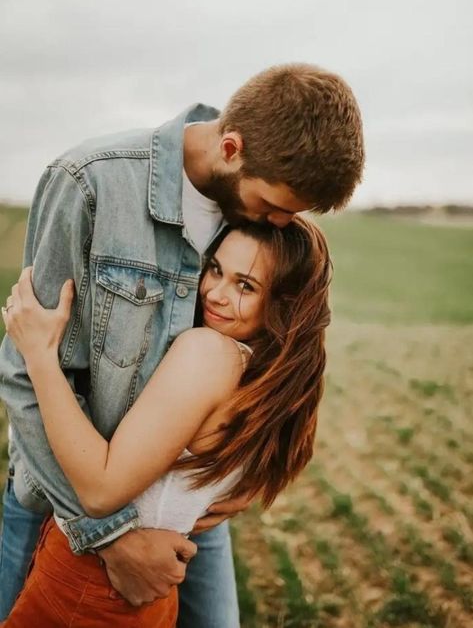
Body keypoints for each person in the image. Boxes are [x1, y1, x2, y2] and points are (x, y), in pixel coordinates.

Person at [0, 63, 364, 626]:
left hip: (183, 512)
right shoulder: (91, 183)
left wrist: (247, 471)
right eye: (276, 206)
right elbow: (25, 368)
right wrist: (108, 535)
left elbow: (282, 342)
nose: (282, 223)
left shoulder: (251, 215)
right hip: (59, 502)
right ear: (231, 146)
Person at [1, 217, 331, 627]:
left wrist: (38, 356)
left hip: (89, 585)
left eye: (245, 285)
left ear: (285, 304)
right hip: (146, 597)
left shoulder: (209, 355)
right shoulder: (273, 383)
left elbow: (100, 491)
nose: (215, 293)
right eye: (215, 269)